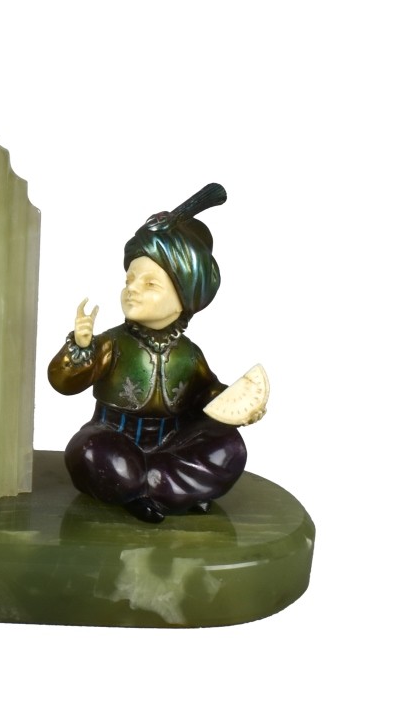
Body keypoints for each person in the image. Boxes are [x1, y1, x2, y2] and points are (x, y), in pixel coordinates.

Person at [48, 183, 259, 524]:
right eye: (129, 280)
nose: (132, 289)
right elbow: (64, 382)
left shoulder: (189, 355)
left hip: (172, 442)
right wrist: (81, 348)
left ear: (183, 298)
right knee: (91, 452)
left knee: (229, 447)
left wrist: (238, 405)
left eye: (150, 284)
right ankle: (170, 489)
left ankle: (142, 488)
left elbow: (207, 395)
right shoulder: (112, 344)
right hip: (113, 437)